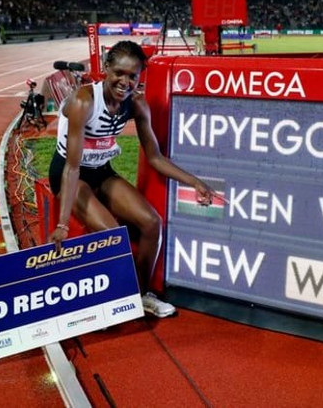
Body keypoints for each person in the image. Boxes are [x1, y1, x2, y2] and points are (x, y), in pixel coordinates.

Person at [49, 40, 215, 318]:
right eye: (119, 74)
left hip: (102, 171)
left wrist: (195, 182)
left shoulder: (136, 104)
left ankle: (140, 295)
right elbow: (72, 168)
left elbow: (155, 158)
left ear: (140, 77)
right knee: (114, 236)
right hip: (70, 173)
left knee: (152, 223)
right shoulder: (84, 101)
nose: (125, 82)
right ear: (105, 69)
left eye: (133, 76)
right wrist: (63, 224)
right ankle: (110, 301)